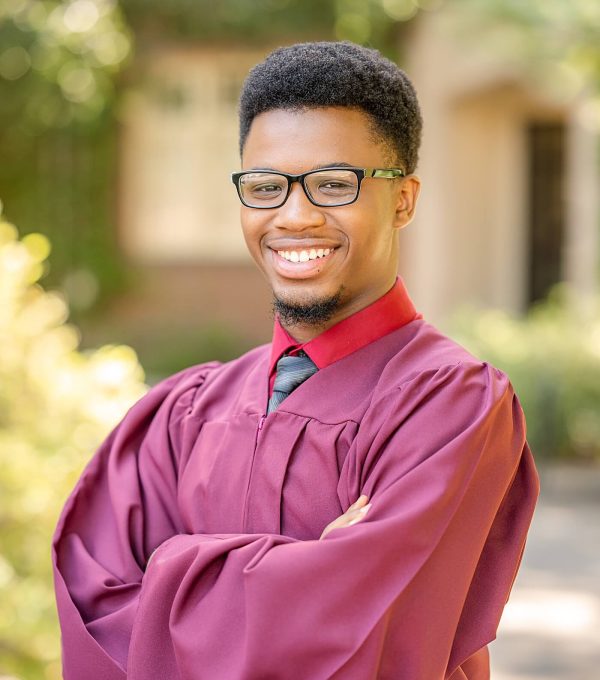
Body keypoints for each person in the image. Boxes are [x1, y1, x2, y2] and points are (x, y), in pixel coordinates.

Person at [52, 41, 539, 680]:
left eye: (335, 184)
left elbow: (380, 644)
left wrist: (172, 569)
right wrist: (305, 574)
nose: (295, 215)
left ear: (403, 200)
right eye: (266, 186)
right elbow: (94, 605)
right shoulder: (185, 411)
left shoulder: (451, 406)